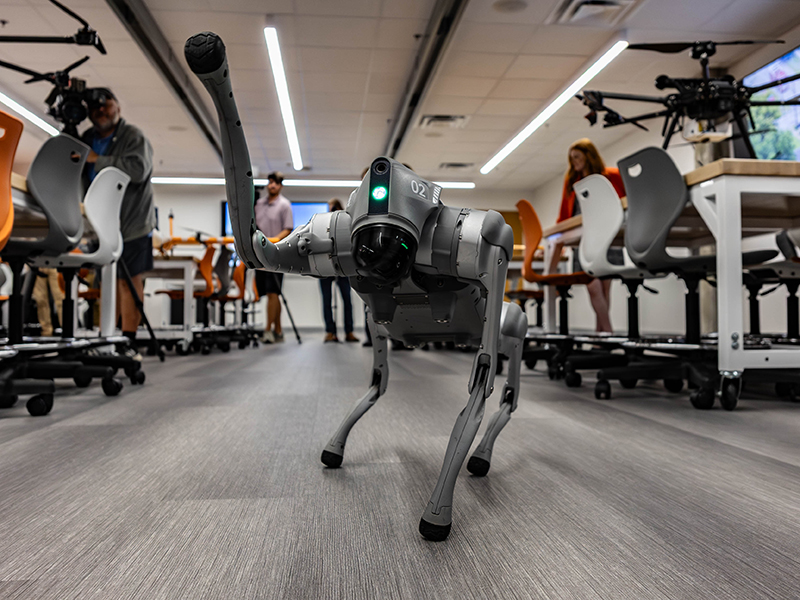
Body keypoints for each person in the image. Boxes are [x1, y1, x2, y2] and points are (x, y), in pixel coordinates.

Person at [80, 87, 155, 353]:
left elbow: (138, 170)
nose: (101, 110)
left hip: (132, 223)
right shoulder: (85, 138)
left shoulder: (132, 136)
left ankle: (128, 341)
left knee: (128, 281)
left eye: (106, 104)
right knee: (106, 282)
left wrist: (98, 160)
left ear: (118, 107)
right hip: (99, 223)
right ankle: (106, 338)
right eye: (94, 107)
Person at [550, 138, 625, 333]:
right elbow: (564, 217)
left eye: (577, 157)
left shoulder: (611, 176)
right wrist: (558, 240)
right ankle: (608, 332)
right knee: (593, 287)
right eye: (571, 158)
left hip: (608, 239)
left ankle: (600, 336)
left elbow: (625, 202)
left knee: (605, 290)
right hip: (583, 241)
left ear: (588, 156)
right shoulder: (572, 183)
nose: (574, 162)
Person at [253, 173, 293, 343]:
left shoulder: (284, 205)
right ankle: (278, 329)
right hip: (260, 255)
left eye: (276, 183)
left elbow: (288, 229)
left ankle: (268, 330)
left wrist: (270, 242)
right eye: (270, 182)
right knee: (269, 293)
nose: (272, 185)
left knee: (273, 292)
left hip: (276, 254)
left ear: (280, 186)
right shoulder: (258, 204)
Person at [319, 199, 359, 343]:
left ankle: (349, 332)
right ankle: (330, 331)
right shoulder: (321, 225)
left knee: (347, 300)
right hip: (325, 267)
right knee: (327, 300)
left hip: (342, 267)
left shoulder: (347, 225)